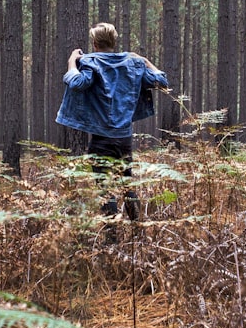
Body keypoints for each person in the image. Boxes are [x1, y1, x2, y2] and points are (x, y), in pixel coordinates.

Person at [56, 22, 168, 221]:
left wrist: (72, 61)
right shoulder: (132, 64)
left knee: (104, 188)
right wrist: (145, 61)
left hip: (101, 140)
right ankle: (137, 229)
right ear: (113, 42)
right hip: (124, 138)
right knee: (127, 184)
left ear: (95, 43)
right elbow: (161, 81)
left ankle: (111, 237)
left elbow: (77, 83)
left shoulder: (91, 62)